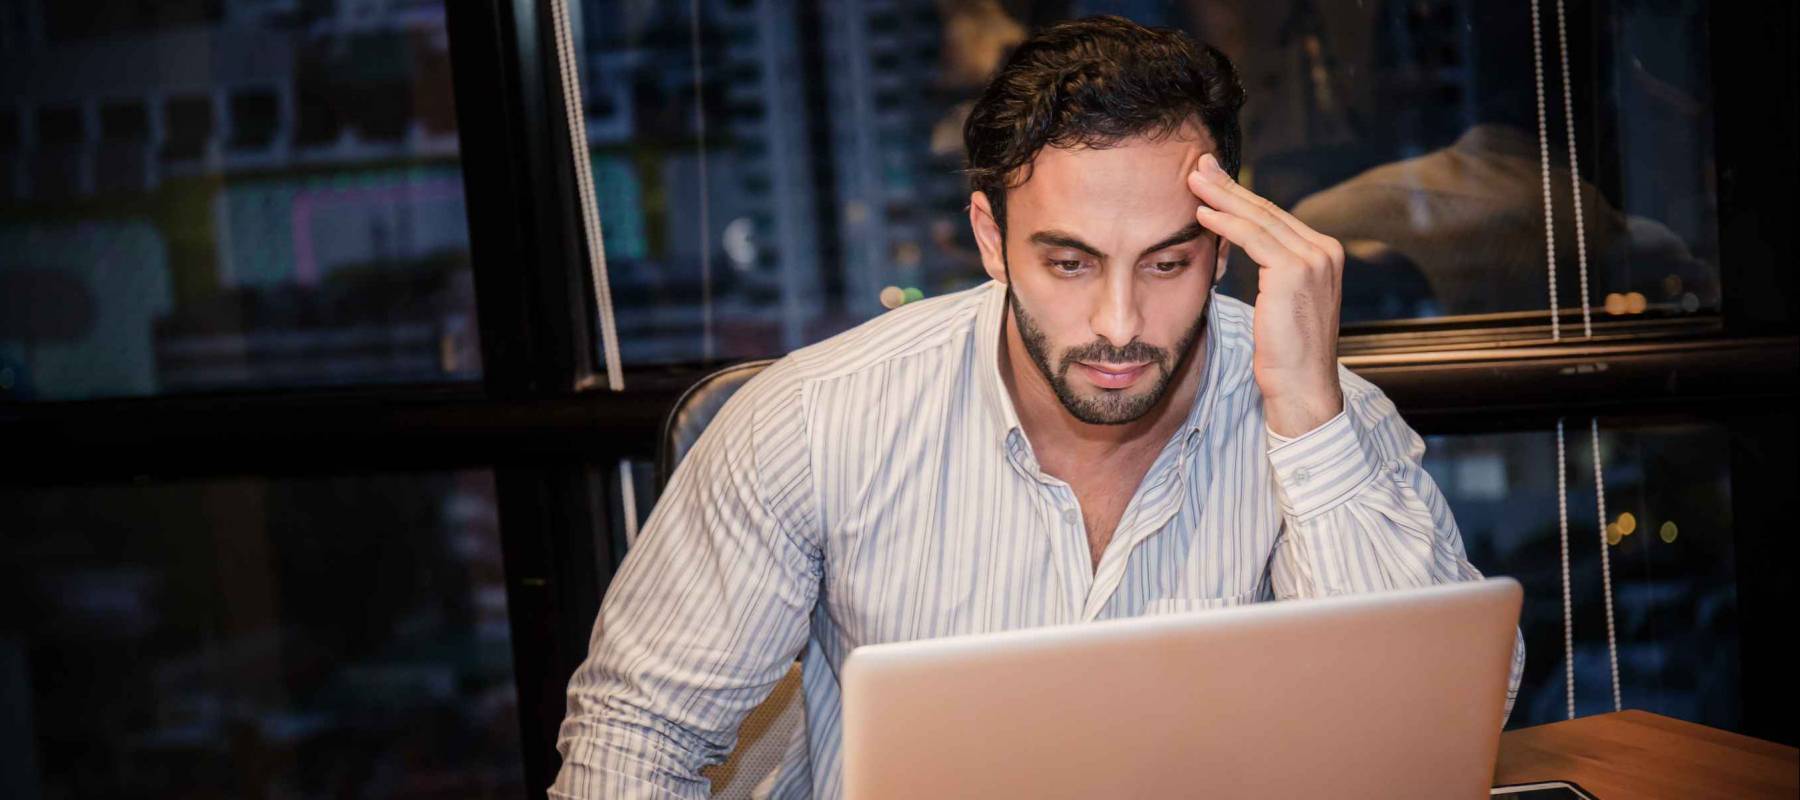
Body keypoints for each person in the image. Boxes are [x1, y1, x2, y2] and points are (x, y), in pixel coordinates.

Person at [551, 16, 1524, 799]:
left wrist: (1311, 421)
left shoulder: (1328, 417)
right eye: (1069, 261)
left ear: (1225, 247)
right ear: (990, 235)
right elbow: (637, 733)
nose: (1119, 324)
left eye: (1169, 261)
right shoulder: (809, 423)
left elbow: (1419, 745)